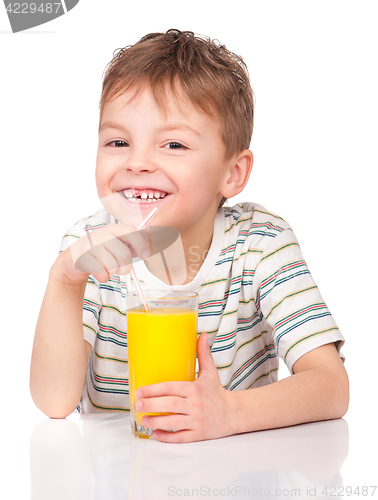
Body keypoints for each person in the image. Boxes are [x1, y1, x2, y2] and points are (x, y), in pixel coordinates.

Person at [30, 29, 349, 443]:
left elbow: (332, 387)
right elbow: (54, 402)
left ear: (232, 173)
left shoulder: (260, 243)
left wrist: (229, 413)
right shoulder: (91, 247)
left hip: (237, 475)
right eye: (118, 141)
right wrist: (64, 281)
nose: (138, 162)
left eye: (174, 144)